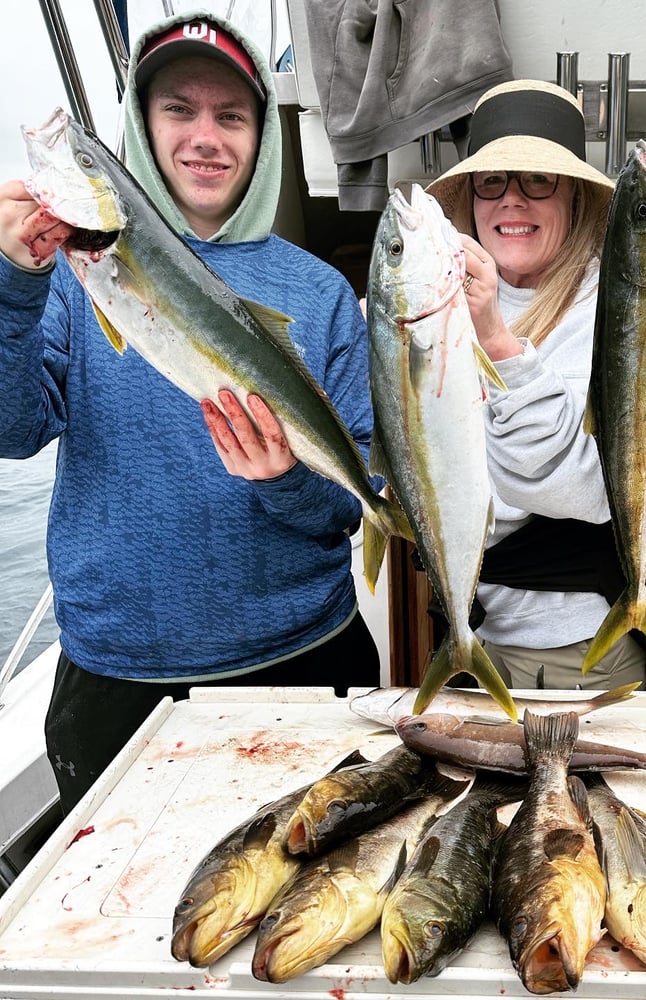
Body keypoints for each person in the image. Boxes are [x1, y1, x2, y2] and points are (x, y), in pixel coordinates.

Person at [0, 11, 380, 814]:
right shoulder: (66, 272)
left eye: (231, 115)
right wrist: (14, 284)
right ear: (142, 128)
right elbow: (13, 430)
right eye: (179, 109)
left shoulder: (319, 295)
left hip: (303, 658)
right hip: (117, 677)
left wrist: (286, 481)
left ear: (261, 135)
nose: (206, 136)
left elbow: (345, 509)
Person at [425, 79, 646, 691]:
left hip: (578, 652)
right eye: (492, 181)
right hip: (469, 637)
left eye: (538, 181)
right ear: (471, 197)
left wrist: (500, 348)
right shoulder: (433, 302)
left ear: (575, 197)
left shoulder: (609, 307)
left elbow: (588, 491)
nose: (512, 202)